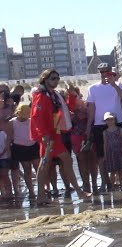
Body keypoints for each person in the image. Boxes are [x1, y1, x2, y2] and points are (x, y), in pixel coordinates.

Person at [30, 69, 87, 204]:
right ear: (45, 79)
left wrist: (71, 95)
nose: (56, 81)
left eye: (57, 78)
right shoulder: (41, 95)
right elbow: (36, 116)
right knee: (49, 163)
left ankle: (42, 196)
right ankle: (78, 192)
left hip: (55, 133)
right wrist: (43, 134)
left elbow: (67, 109)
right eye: (53, 78)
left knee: (50, 163)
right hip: (48, 136)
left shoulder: (54, 95)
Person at [84, 63, 122, 193]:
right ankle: (105, 181)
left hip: (117, 121)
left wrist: (114, 84)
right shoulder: (93, 88)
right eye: (102, 72)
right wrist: (88, 127)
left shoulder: (118, 85)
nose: (105, 74)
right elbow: (91, 109)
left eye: (107, 72)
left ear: (111, 72)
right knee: (101, 155)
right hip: (99, 123)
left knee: (120, 152)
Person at [9, 102, 38, 202]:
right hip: (20, 147)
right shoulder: (12, 122)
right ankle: (31, 191)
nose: (24, 118)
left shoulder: (31, 121)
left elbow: (36, 133)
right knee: (27, 169)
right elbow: (10, 136)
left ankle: (43, 188)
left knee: (37, 166)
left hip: (33, 146)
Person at [100, 113, 122, 190]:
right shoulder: (105, 132)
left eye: (111, 119)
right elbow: (105, 144)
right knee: (112, 171)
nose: (110, 121)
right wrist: (105, 155)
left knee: (121, 170)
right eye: (108, 120)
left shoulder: (120, 129)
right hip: (110, 153)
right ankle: (112, 186)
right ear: (105, 121)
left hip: (120, 151)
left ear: (115, 120)